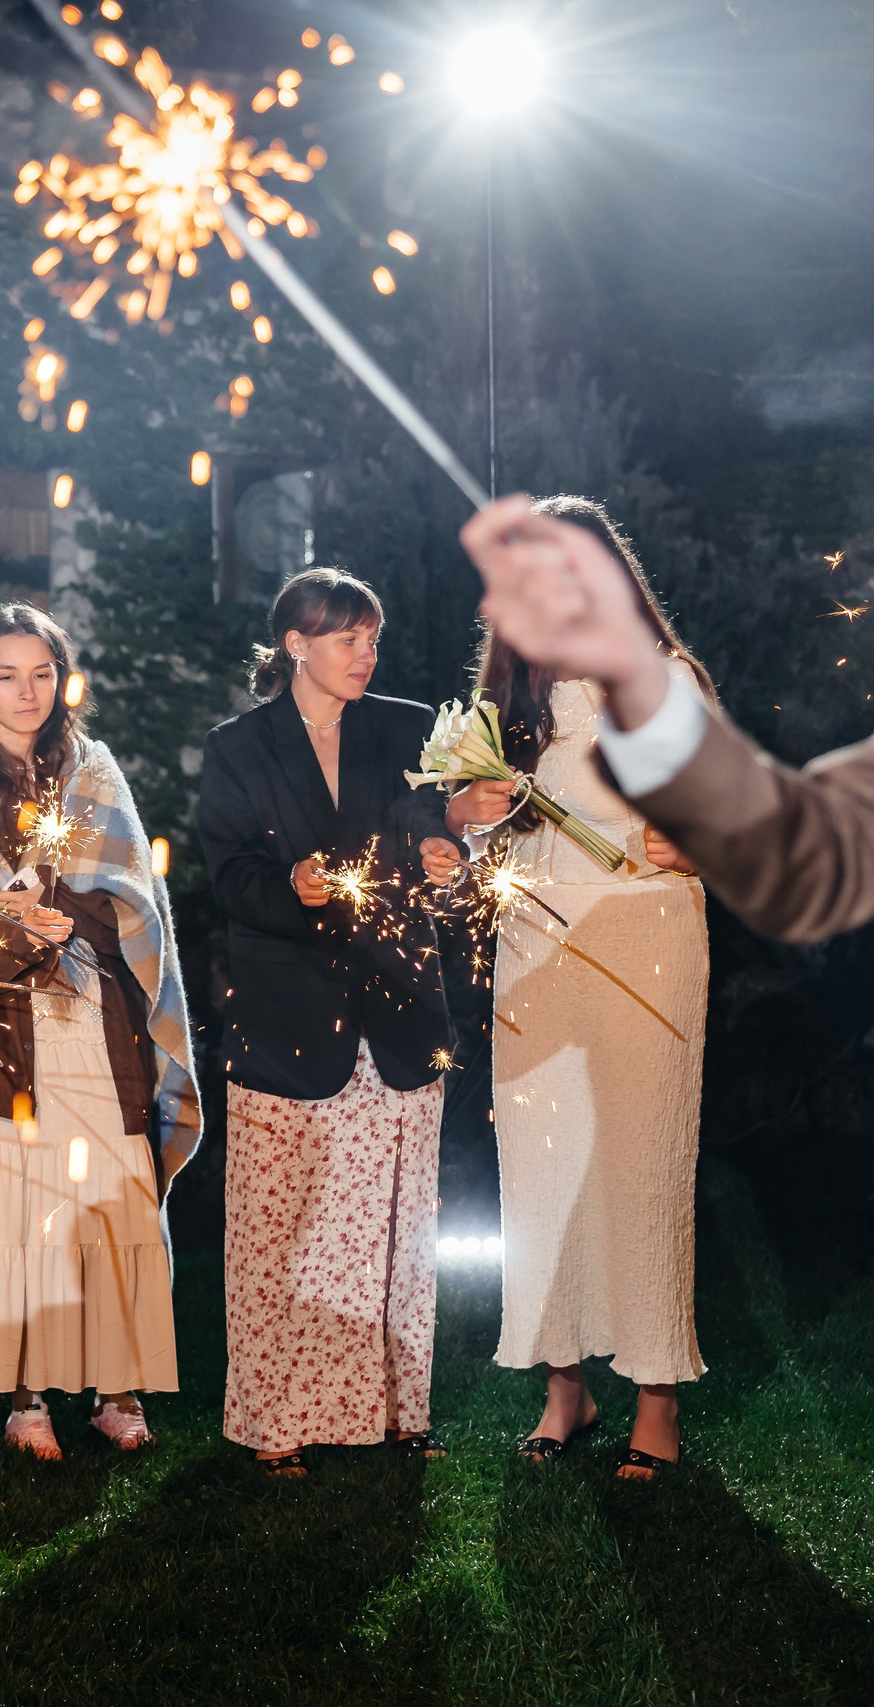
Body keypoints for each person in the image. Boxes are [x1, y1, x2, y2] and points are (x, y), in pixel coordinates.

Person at [448, 497, 710, 1481]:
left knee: (643, 1170)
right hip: (533, 949)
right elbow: (474, 825)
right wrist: (465, 813)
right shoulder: (502, 711)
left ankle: (655, 1396)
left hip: (648, 940)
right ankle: (567, 1390)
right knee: (544, 1171)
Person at [0, 604, 201, 1458]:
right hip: (2, 1032)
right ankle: (24, 1394)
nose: (26, 690)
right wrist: (7, 923)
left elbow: (134, 900)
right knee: (18, 1196)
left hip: (97, 1023)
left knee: (112, 1197)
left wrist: (61, 914)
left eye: (42, 672)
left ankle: (118, 1390)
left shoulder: (94, 768)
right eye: (6, 674)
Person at [195, 567, 462, 1477]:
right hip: (286, 1020)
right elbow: (226, 874)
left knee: (390, 1229)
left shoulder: (405, 725)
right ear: (296, 645)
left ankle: (396, 1409)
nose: (366, 654)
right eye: (348, 637)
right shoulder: (237, 746)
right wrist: (290, 889)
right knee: (281, 1231)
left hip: (394, 1014)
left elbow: (436, 820)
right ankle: (279, 1420)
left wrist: (442, 849)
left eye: (372, 637)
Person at [462, 493, 874, 945]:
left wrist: (693, 848)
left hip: (640, 931)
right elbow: (813, 856)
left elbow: (799, 866)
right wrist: (459, 813)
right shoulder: (510, 699)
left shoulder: (669, 682)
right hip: (529, 938)